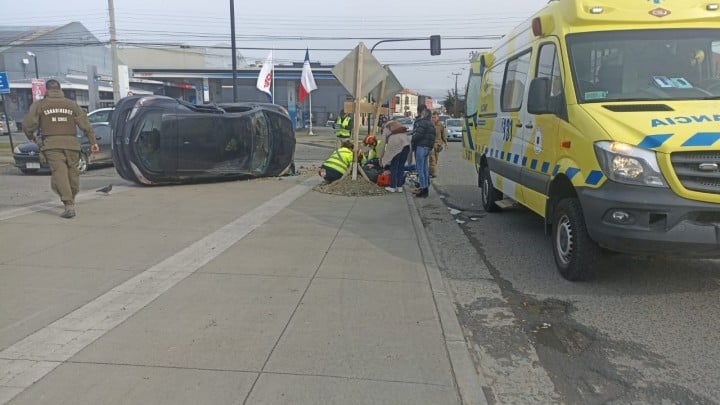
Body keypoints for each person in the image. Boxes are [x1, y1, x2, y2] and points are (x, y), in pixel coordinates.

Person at [22, 79, 99, 218]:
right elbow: (85, 124)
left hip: (52, 145)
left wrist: (32, 137)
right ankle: (71, 198)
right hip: (72, 144)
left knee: (60, 173)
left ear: (46, 89)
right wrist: (93, 141)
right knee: (72, 173)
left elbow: (28, 125)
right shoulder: (71, 105)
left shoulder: (40, 105)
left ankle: (68, 204)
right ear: (60, 89)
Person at [378, 120, 410, 193]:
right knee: (401, 167)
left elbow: (382, 144)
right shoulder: (399, 126)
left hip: (396, 146)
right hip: (406, 145)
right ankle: (399, 187)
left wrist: (380, 157)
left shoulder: (386, 128)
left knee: (394, 166)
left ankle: (392, 187)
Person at [410, 105, 435, 198]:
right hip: (427, 148)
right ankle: (425, 189)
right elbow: (432, 137)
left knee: (420, 169)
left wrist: (412, 141)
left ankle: (423, 189)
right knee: (425, 169)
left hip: (420, 147)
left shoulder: (423, 122)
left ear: (425, 114)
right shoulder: (431, 123)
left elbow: (417, 135)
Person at [429, 111, 448, 178]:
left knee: (436, 159)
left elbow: (443, 135)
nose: (433, 119)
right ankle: (433, 172)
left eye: (435, 117)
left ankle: (431, 171)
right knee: (432, 158)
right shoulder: (430, 125)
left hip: (438, 145)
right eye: (432, 117)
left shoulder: (440, 125)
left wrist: (445, 143)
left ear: (438, 118)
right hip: (431, 144)